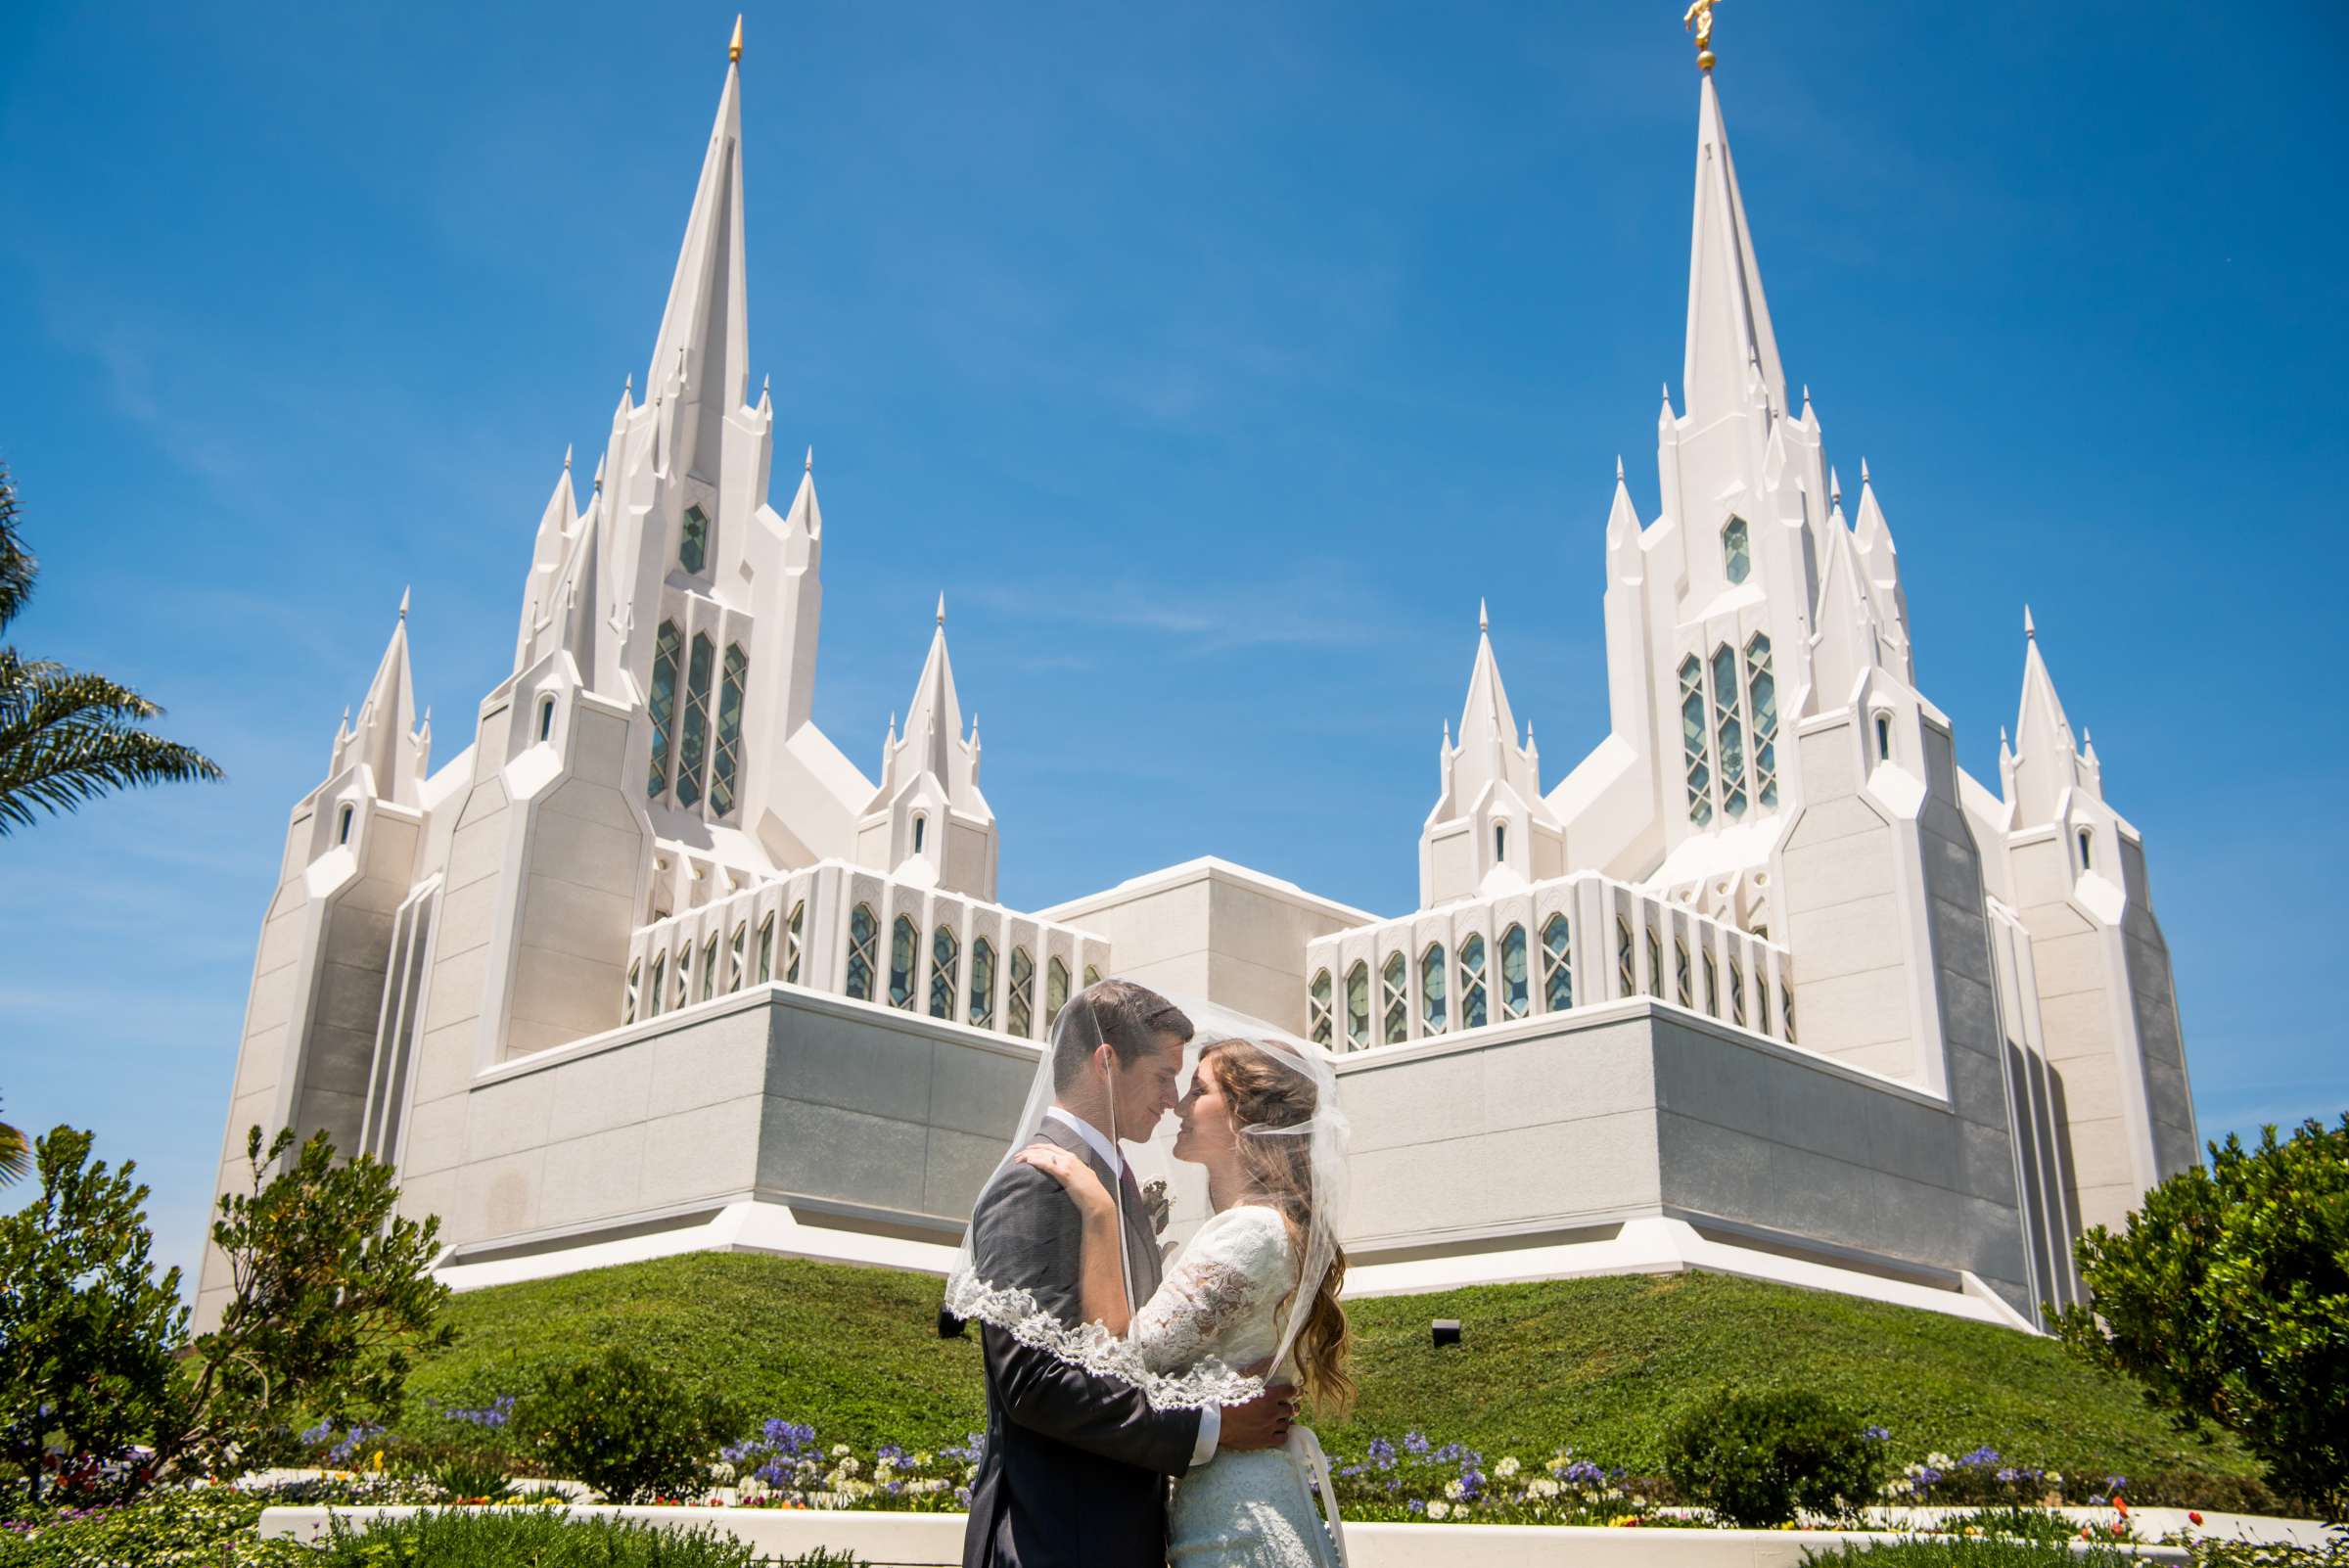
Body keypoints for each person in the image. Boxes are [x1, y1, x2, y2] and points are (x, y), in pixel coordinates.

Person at [954, 981, 1301, 1568]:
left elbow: (1125, 1352)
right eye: (1164, 1075)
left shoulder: (1110, 1188)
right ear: (1106, 1061)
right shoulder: (1038, 1182)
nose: (1173, 1099)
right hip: (1056, 1542)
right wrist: (1212, 1424)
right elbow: (1033, 1384)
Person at [1015, 1032, 1353, 1568]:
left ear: (1242, 1115)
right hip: (1226, 1503)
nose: (1178, 1103)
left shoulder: (1249, 1233)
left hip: (1239, 1524)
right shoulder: (1249, 1227)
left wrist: (1100, 1214)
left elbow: (1121, 1358)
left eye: (1199, 1090)